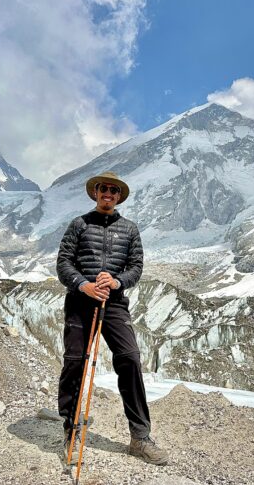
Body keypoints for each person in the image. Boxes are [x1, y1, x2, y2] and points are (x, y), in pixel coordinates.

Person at [56, 171, 169, 466]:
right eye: (103, 189)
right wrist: (85, 284)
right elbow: (63, 263)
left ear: (119, 196)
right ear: (96, 193)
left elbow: (136, 267)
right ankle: (70, 428)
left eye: (113, 190)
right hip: (81, 302)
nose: (108, 193)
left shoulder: (129, 230)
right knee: (75, 362)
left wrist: (117, 282)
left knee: (129, 358)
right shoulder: (79, 225)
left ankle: (140, 437)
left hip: (115, 304)